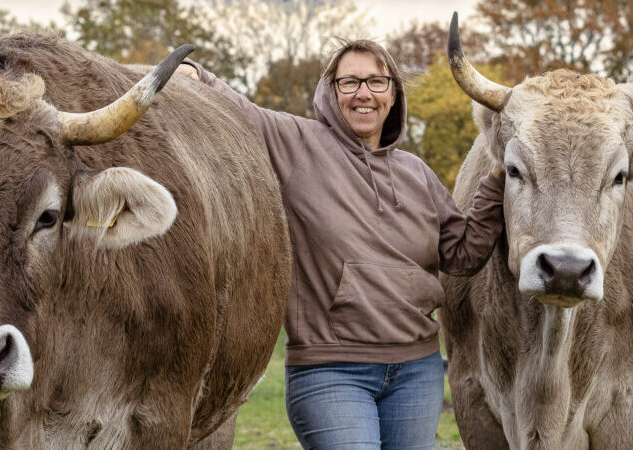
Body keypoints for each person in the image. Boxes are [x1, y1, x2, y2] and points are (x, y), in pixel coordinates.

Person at [177, 39, 504, 449]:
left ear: (393, 94)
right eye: (349, 82)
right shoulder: (299, 144)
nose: (363, 93)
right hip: (331, 371)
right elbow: (244, 113)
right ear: (331, 91)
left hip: (416, 371)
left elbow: (463, 254)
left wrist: (496, 178)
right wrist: (197, 76)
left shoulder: (416, 173)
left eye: (376, 82)